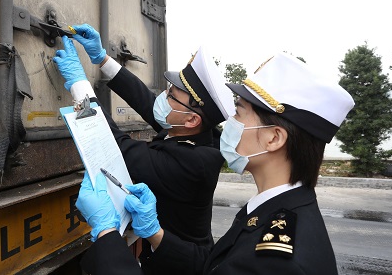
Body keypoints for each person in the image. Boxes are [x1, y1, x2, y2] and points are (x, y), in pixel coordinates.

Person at [75, 52, 355, 275]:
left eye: (240, 114)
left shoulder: (277, 261)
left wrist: (107, 233)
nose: (230, 123)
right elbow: (212, 266)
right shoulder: (274, 212)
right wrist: (156, 233)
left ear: (273, 139)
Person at [53, 25, 235, 271]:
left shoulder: (192, 164)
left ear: (191, 120)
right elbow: (146, 101)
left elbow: (115, 145)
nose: (163, 96)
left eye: (171, 95)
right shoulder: (196, 133)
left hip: (177, 265)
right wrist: (103, 59)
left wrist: (79, 84)